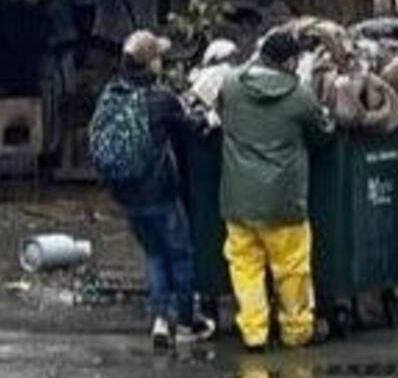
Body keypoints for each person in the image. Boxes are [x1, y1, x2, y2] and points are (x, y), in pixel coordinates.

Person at [95, 31, 215, 348]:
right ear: (151, 64)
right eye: (159, 56)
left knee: (153, 254)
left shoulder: (112, 93)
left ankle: (161, 320)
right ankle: (188, 324)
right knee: (180, 254)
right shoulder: (162, 98)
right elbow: (193, 127)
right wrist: (210, 119)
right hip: (160, 191)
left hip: (126, 193)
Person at [218, 28, 332, 351]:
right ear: (291, 61)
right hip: (284, 203)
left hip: (238, 201)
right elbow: (322, 135)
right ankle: (296, 332)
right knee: (292, 270)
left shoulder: (231, 85)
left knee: (245, 268)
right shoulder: (300, 96)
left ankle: (254, 333)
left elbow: (221, 114)